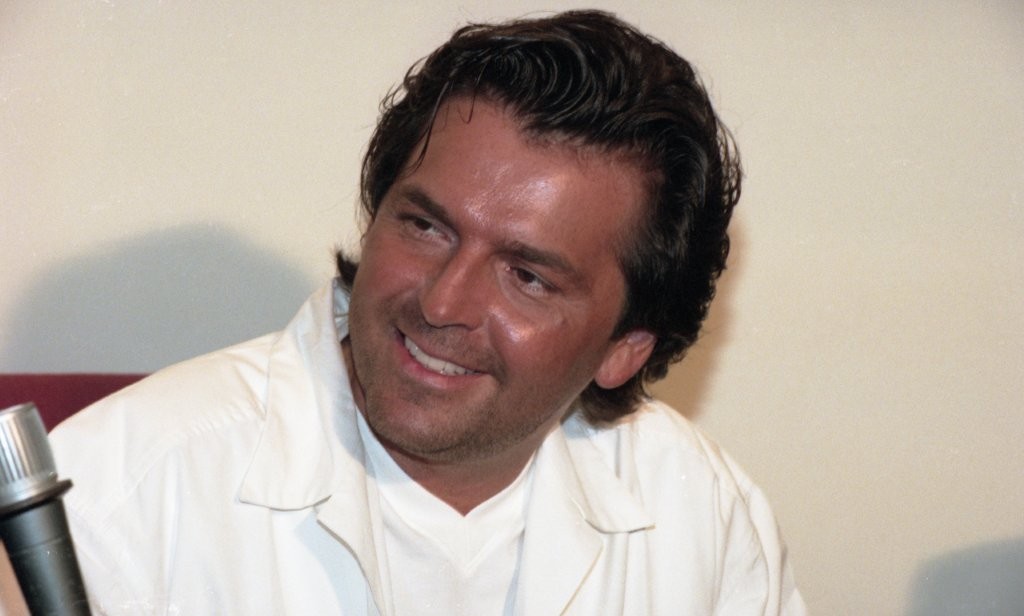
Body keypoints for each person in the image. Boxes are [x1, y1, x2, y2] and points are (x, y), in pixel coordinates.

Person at [50, 10, 806, 615]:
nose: (443, 302)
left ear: (624, 349)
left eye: (527, 277)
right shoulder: (117, 494)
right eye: (425, 226)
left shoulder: (701, 511)